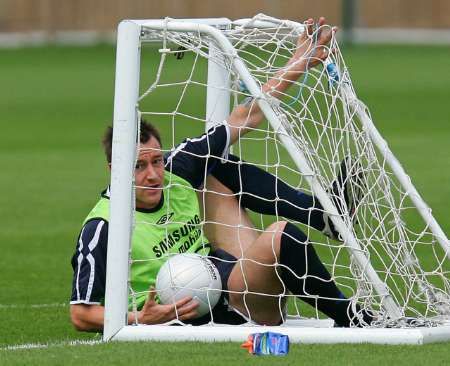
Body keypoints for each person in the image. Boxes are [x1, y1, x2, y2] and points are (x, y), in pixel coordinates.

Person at [70, 18, 371, 331]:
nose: (153, 175)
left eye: (157, 161)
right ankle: (351, 317)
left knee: (215, 163)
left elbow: (247, 115)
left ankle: (321, 214)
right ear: (113, 171)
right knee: (281, 234)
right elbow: (80, 315)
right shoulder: (103, 226)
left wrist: (301, 62)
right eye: (139, 166)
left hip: (234, 281)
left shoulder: (175, 170)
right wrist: (141, 318)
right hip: (216, 312)